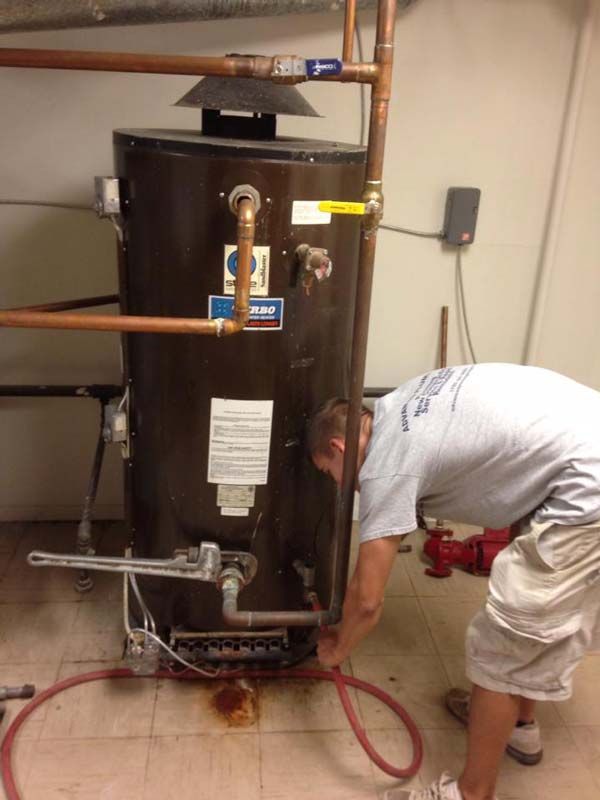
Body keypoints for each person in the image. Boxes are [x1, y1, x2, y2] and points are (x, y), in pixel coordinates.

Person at [307, 363, 600, 800]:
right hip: (581, 436)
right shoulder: (398, 402)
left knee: (503, 641)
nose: (338, 483)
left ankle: (470, 793)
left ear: (338, 446)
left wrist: (338, 648)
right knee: (530, 623)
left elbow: (367, 601)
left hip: (585, 484)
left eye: (329, 471)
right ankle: (518, 726)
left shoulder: (386, 465)